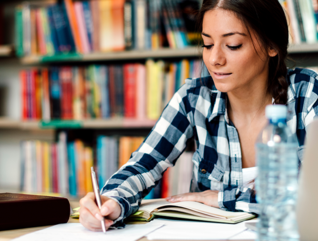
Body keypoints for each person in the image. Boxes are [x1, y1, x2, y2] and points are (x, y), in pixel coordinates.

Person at [79, 0, 318, 231]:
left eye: (233, 45)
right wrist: (111, 202)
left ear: (272, 45)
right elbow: (143, 164)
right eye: (207, 44)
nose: (215, 59)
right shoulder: (194, 98)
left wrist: (223, 198)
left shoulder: (308, 93)